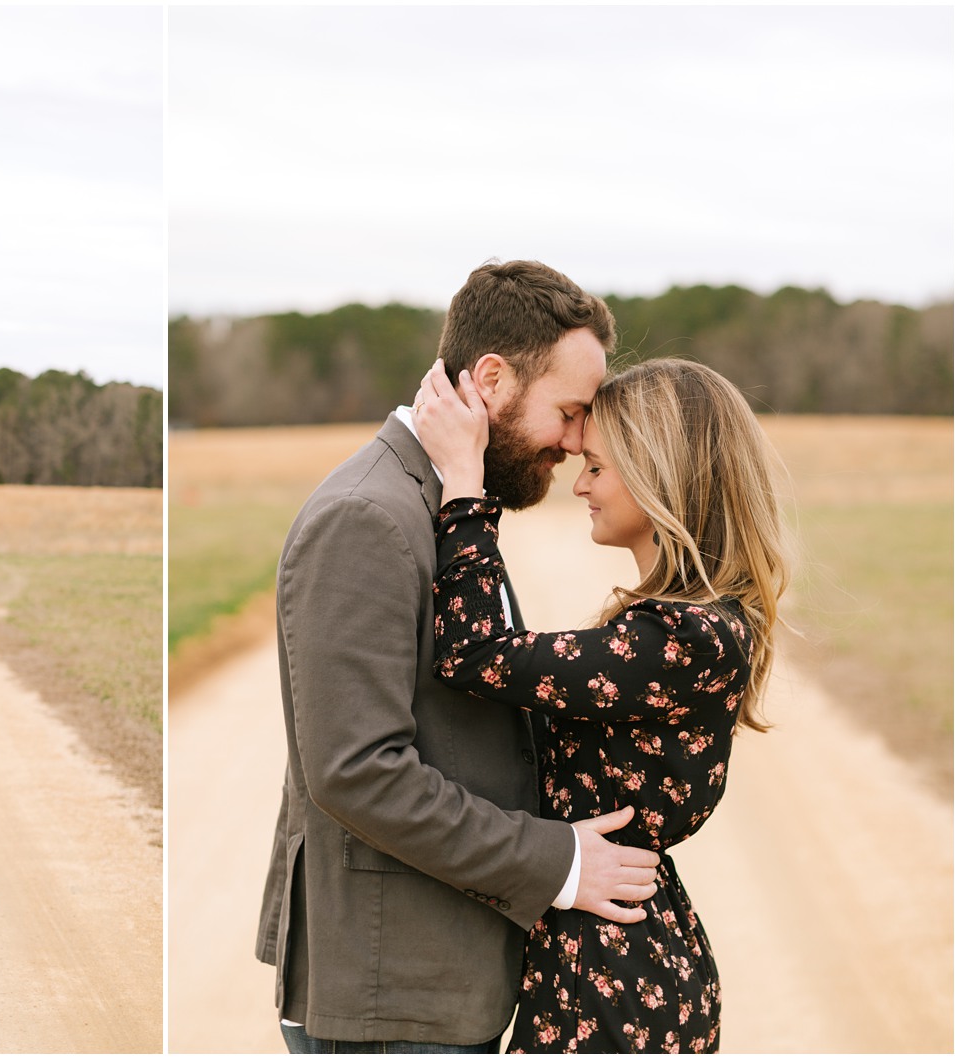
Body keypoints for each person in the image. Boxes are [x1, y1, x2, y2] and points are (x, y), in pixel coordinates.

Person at [256, 260, 663, 1053]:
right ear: (491, 378)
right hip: (391, 1001)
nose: (578, 441)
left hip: (431, 984)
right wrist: (559, 863)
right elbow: (355, 769)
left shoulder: (439, 497)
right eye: (570, 411)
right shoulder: (366, 516)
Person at [413, 356, 790, 1052]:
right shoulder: (688, 624)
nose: (580, 484)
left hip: (614, 984)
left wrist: (464, 482)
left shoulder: (686, 637)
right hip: (607, 958)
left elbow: (478, 652)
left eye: (597, 466)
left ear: (658, 477)